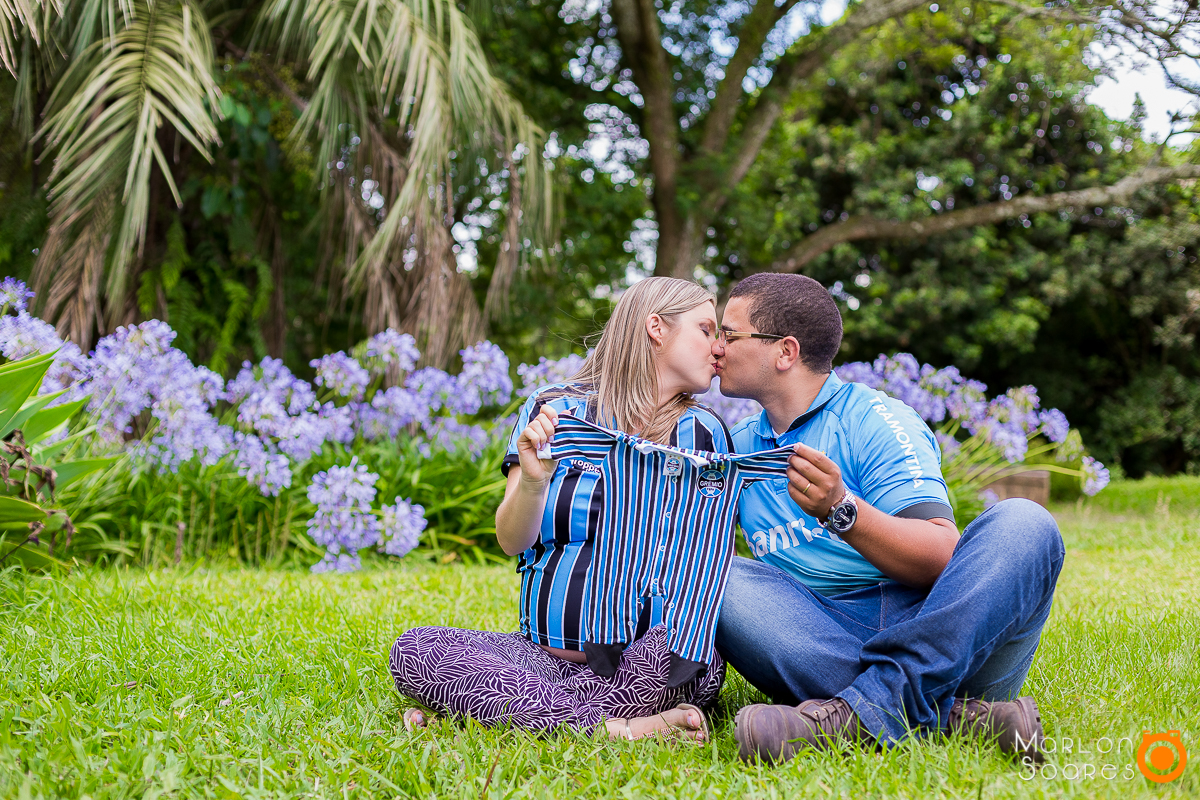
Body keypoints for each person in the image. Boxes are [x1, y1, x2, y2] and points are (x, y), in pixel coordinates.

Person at [712, 273, 1064, 764]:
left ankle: (853, 715)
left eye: (729, 335)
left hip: (942, 629)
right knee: (713, 577)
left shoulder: (875, 419)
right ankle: (961, 718)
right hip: (822, 635)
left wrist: (843, 511)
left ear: (785, 351)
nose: (717, 347)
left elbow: (942, 555)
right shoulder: (736, 446)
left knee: (1025, 523)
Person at [389, 277, 733, 741]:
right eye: (706, 328)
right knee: (416, 650)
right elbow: (512, 540)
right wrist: (534, 478)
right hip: (539, 657)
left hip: (646, 661)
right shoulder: (554, 409)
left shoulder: (705, 434)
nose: (719, 348)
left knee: (691, 661)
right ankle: (622, 729)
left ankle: (490, 713)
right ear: (656, 327)